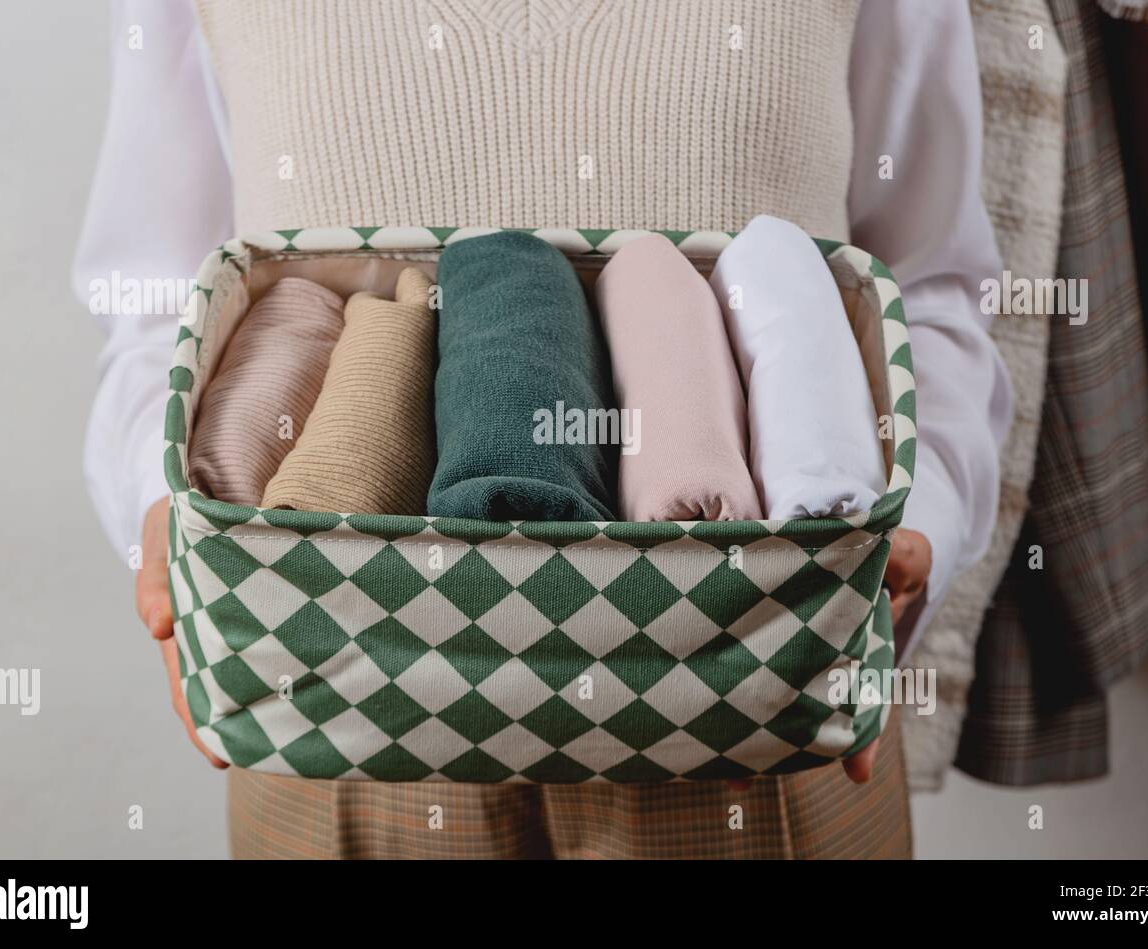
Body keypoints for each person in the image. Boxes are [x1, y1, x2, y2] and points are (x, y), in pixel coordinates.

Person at [75, 0, 1011, 859]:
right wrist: (169, 515)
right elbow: (162, 293)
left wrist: (912, 516)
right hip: (334, 718)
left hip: (763, 719)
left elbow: (927, 281)